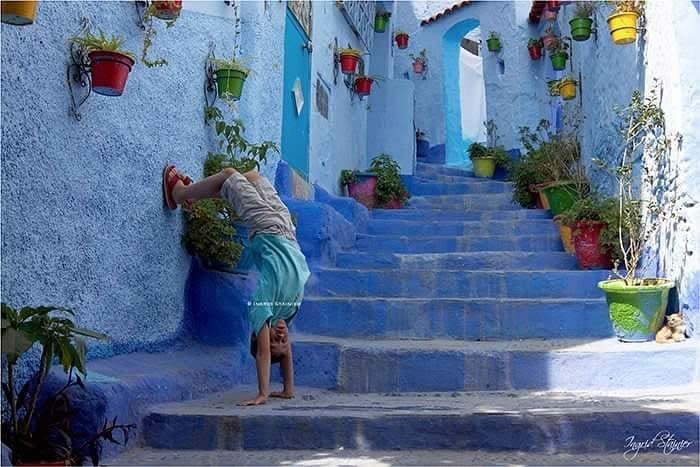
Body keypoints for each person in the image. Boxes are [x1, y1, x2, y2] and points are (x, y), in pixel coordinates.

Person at [163, 164, 310, 406]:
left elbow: (263, 354)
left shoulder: (263, 308)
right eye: (284, 342)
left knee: (231, 175)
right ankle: (192, 195)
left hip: (265, 227)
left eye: (274, 339)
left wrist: (263, 394)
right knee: (251, 177)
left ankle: (180, 194)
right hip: (287, 230)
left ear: (259, 333)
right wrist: (287, 389)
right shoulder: (288, 311)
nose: (282, 337)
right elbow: (284, 356)